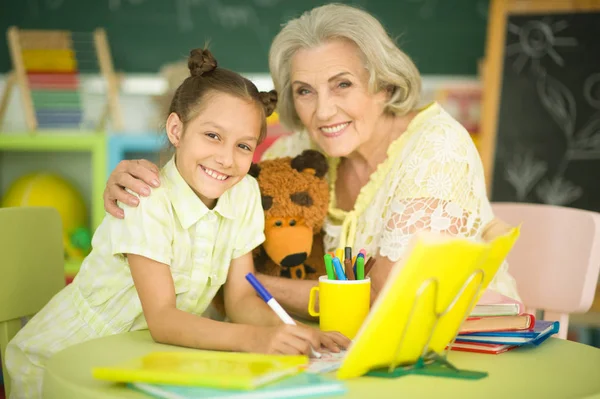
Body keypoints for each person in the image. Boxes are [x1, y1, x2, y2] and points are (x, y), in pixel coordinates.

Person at [103, 4, 521, 320]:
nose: (323, 112)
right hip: (328, 346)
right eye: (304, 91)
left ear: (385, 85)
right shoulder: (296, 153)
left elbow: (386, 302)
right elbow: (204, 203)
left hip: (455, 342)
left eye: (343, 84)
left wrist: (241, 285)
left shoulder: (437, 148)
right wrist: (145, 181)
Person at [6, 48, 350, 399]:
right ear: (176, 129)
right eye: (212, 136)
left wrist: (290, 331)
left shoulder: (244, 193)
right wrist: (254, 338)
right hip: (62, 365)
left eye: (244, 146)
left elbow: (241, 297)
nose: (226, 158)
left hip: (142, 361)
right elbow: (163, 319)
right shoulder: (146, 197)